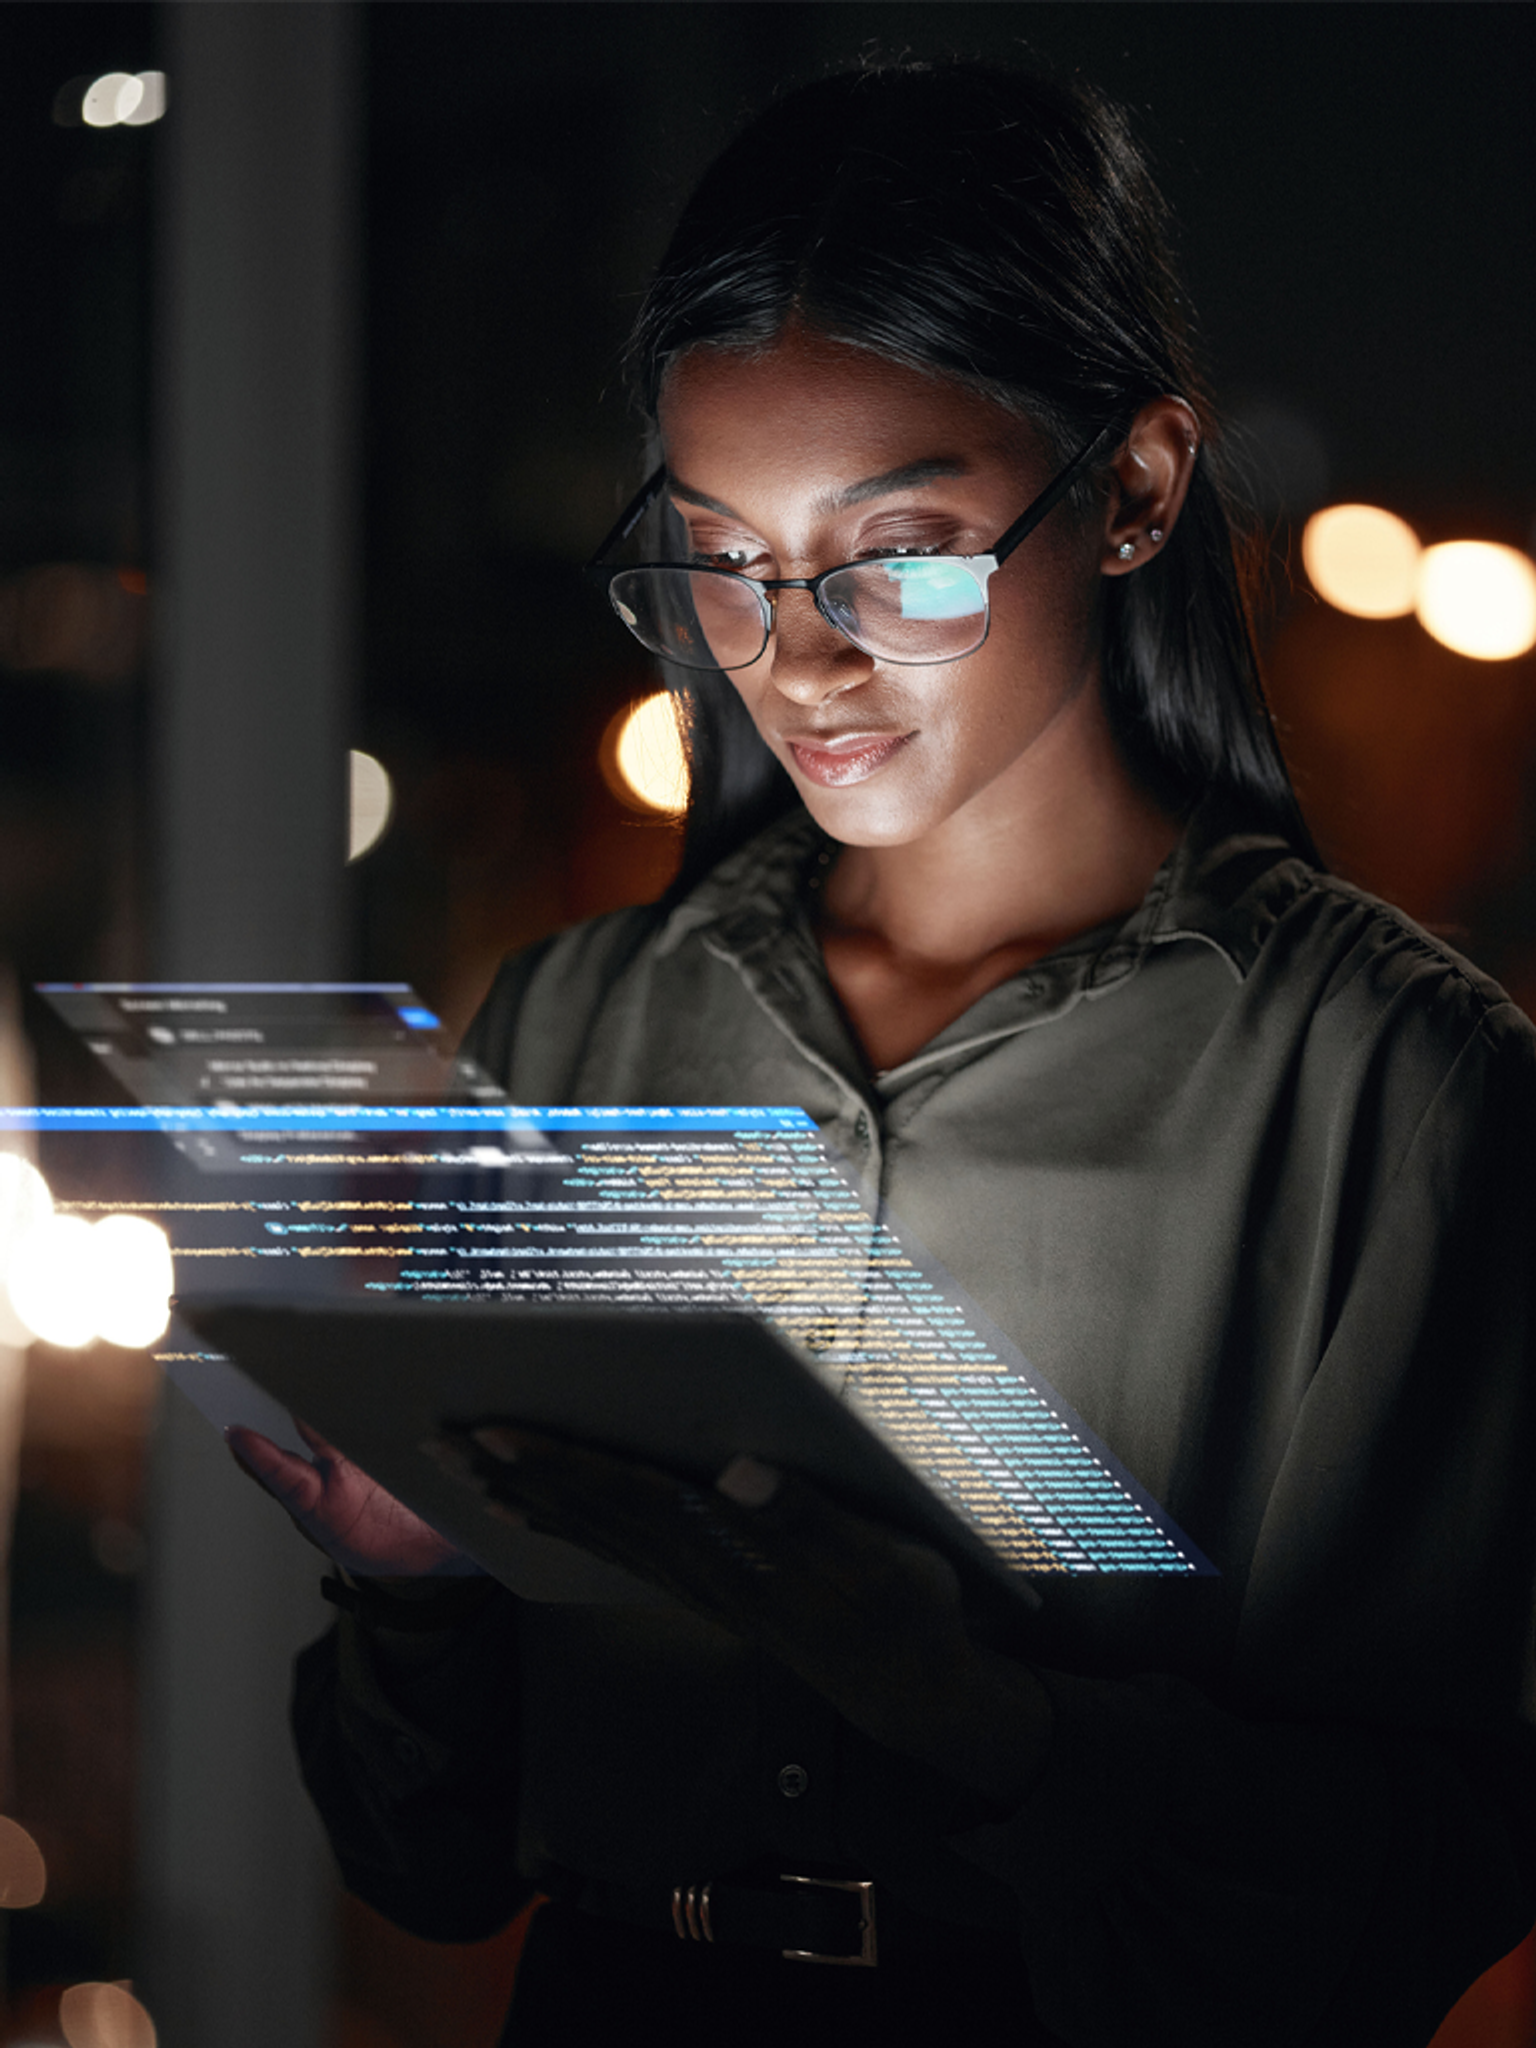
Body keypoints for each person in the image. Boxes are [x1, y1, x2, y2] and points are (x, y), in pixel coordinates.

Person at [231, 61, 1536, 2047]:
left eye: (900, 552)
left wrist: (991, 1721)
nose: (795, 655)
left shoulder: (1391, 1096)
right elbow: (424, 1866)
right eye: (723, 561)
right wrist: (416, 1581)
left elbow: (1396, 1901)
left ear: (1136, 490)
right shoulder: (576, 1027)